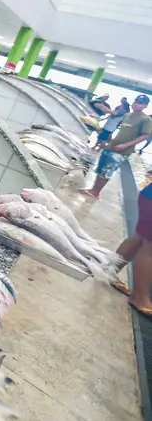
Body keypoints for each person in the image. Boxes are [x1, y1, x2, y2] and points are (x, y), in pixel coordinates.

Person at [84, 94, 152, 198]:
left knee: (107, 171)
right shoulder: (127, 115)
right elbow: (118, 130)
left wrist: (125, 145)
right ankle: (93, 189)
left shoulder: (146, 119)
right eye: (135, 102)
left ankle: (96, 192)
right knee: (100, 169)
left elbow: (144, 136)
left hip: (123, 151)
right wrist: (107, 142)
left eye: (140, 103)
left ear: (145, 106)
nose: (136, 104)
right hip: (112, 145)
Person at [110, 175, 152, 316]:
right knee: (149, 248)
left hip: (148, 197)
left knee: (139, 238)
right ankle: (139, 297)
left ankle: (109, 271)